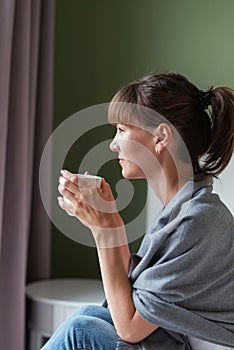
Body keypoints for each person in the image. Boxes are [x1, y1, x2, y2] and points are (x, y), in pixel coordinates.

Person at [41, 72, 234, 350]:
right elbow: (135, 298)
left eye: (121, 129)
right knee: (89, 315)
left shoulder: (196, 221)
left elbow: (130, 326)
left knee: (81, 330)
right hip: (182, 341)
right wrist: (111, 221)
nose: (113, 144)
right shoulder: (183, 208)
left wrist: (103, 230)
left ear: (160, 137)